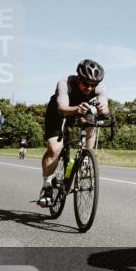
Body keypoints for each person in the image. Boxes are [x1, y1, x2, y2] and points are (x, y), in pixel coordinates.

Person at [37, 59, 108, 207]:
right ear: (78, 78)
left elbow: (105, 107)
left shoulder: (100, 87)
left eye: (93, 85)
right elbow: (62, 107)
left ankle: (86, 158)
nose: (89, 87)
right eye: (86, 83)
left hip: (81, 111)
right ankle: (47, 186)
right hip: (58, 112)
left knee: (91, 118)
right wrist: (75, 109)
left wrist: (103, 109)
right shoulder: (65, 83)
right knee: (55, 149)